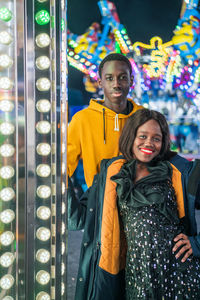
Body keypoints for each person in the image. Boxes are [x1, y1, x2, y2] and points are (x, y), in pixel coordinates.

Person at [68, 109, 200, 300]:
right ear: (131, 137)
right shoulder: (112, 175)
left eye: (156, 138)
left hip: (179, 276)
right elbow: (76, 220)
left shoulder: (179, 171)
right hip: (136, 278)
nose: (149, 143)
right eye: (143, 136)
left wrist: (196, 244)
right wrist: (60, 180)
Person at [67, 52, 143, 187]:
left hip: (140, 201)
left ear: (131, 81)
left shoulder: (144, 117)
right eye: (109, 78)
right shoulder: (82, 120)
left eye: (123, 77)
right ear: (100, 82)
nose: (116, 84)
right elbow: (65, 167)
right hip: (100, 202)